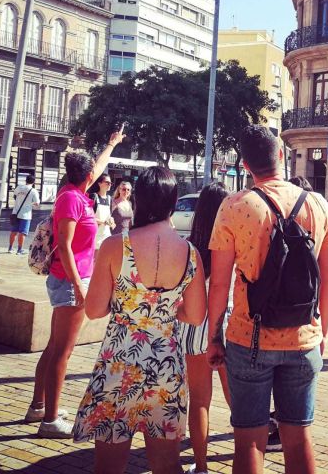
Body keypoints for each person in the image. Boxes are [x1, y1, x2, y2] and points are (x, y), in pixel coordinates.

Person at [207, 125, 328, 474]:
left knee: (249, 440)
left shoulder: (235, 206)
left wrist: (214, 337)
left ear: (246, 165)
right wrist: (321, 333)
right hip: (304, 338)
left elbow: (219, 284)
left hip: (248, 338)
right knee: (298, 437)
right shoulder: (319, 205)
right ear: (281, 155)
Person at [73, 166, 207, 474]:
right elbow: (197, 315)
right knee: (167, 464)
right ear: (173, 203)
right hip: (166, 365)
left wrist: (128, 304)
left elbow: (94, 310)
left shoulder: (115, 246)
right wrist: (167, 309)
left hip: (119, 362)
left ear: (139, 201)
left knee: (109, 466)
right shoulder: (190, 253)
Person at [26, 129, 125, 438]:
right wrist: (79, 287)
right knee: (62, 353)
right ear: (88, 178)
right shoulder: (71, 199)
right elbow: (66, 246)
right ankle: (51, 421)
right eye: (94, 174)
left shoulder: (76, 192)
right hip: (69, 282)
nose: (97, 176)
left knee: (55, 347)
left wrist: (110, 143)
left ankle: (39, 407)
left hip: (72, 280)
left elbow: (96, 165)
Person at [177, 181, 232, 474]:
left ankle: (200, 468)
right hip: (229, 326)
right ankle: (248, 457)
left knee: (199, 400)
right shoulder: (234, 241)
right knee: (237, 398)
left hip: (196, 327)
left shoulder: (190, 249)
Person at [9, 174, 40, 254]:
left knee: (13, 231)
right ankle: (19, 250)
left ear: (26, 180)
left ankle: (10, 248)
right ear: (33, 182)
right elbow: (37, 203)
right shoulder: (33, 191)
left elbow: (15, 196)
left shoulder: (19, 187)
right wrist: (30, 204)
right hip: (25, 215)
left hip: (15, 213)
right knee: (22, 233)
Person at [91, 174, 115, 250]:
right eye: (107, 182)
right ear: (99, 183)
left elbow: (109, 215)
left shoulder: (109, 199)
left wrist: (112, 221)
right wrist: (104, 222)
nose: (109, 184)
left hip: (106, 234)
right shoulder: (93, 197)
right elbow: (89, 218)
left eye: (110, 183)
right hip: (95, 235)